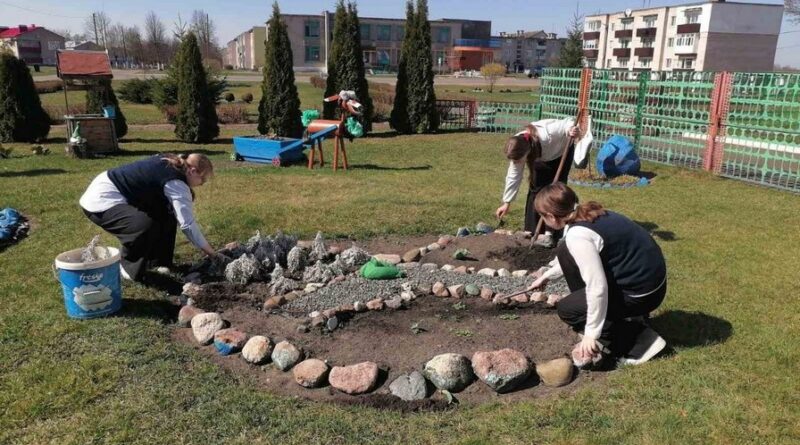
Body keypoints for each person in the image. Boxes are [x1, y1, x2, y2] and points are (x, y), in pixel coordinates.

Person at [527, 183, 668, 367]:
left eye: (542, 216)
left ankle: (640, 343)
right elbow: (581, 256)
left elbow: (597, 287)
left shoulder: (578, 235)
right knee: (564, 252)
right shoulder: (591, 213)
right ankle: (623, 317)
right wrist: (547, 276)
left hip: (642, 296)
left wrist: (591, 333)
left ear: (551, 217)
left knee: (568, 310)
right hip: (650, 283)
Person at [80, 153, 220, 282]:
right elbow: (187, 225)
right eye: (203, 180)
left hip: (109, 187)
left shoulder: (172, 161)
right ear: (193, 171)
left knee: (167, 211)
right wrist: (211, 253)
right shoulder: (176, 183)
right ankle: (127, 268)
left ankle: (158, 262)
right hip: (99, 201)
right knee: (142, 225)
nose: (201, 184)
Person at [495, 118, 580, 248]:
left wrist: (570, 130)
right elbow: (514, 175)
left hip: (561, 152)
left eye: (518, 160)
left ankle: (552, 234)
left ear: (526, 152)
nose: (516, 163)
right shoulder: (517, 147)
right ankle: (532, 232)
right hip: (540, 155)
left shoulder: (548, 133)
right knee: (536, 189)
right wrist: (507, 202)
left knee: (556, 192)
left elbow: (567, 123)